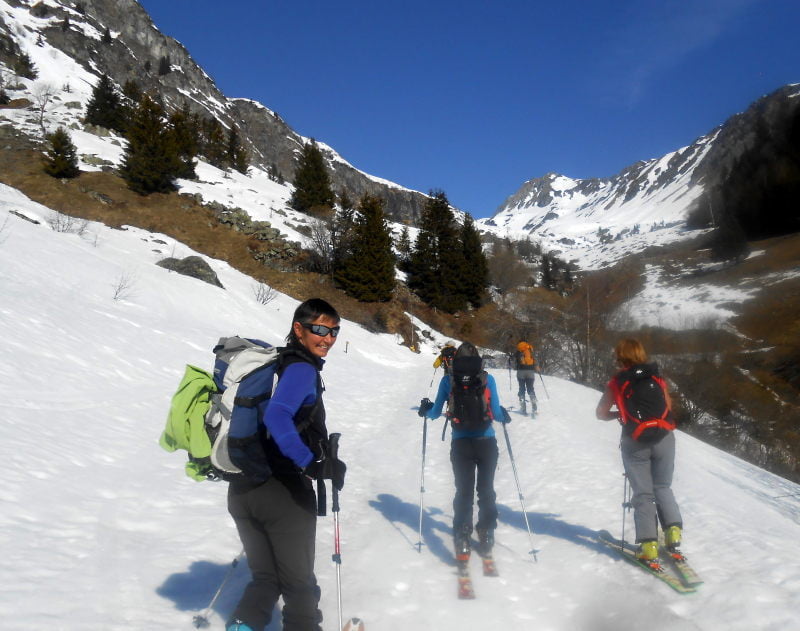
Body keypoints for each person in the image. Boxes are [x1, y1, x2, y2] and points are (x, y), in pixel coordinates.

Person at [226, 298, 346, 631]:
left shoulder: (274, 366)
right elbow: (278, 415)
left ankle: (242, 626)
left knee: (265, 578)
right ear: (299, 328)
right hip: (283, 495)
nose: (328, 338)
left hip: (243, 490)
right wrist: (313, 464)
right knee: (299, 585)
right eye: (320, 329)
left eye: (334, 331)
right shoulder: (301, 369)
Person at [595, 338, 683, 569]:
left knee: (643, 494)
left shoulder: (616, 382)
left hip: (635, 441)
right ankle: (673, 534)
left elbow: (600, 414)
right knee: (663, 486)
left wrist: (620, 415)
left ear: (620, 356)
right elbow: (668, 407)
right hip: (665, 437)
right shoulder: (657, 377)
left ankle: (648, 546)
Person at [419, 342, 510, 560]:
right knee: (486, 490)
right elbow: (496, 412)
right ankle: (486, 533)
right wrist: (503, 415)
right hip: (486, 442)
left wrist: (425, 410)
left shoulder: (447, 380)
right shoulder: (488, 379)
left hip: (460, 444)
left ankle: (462, 536)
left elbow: (434, 413)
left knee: (464, 492)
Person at [513, 340, 537, 415]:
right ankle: (534, 406)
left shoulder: (518, 351)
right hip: (530, 371)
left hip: (521, 372)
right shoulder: (530, 349)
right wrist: (536, 367)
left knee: (522, 389)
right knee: (530, 388)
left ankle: (523, 409)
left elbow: (514, 362)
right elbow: (535, 360)